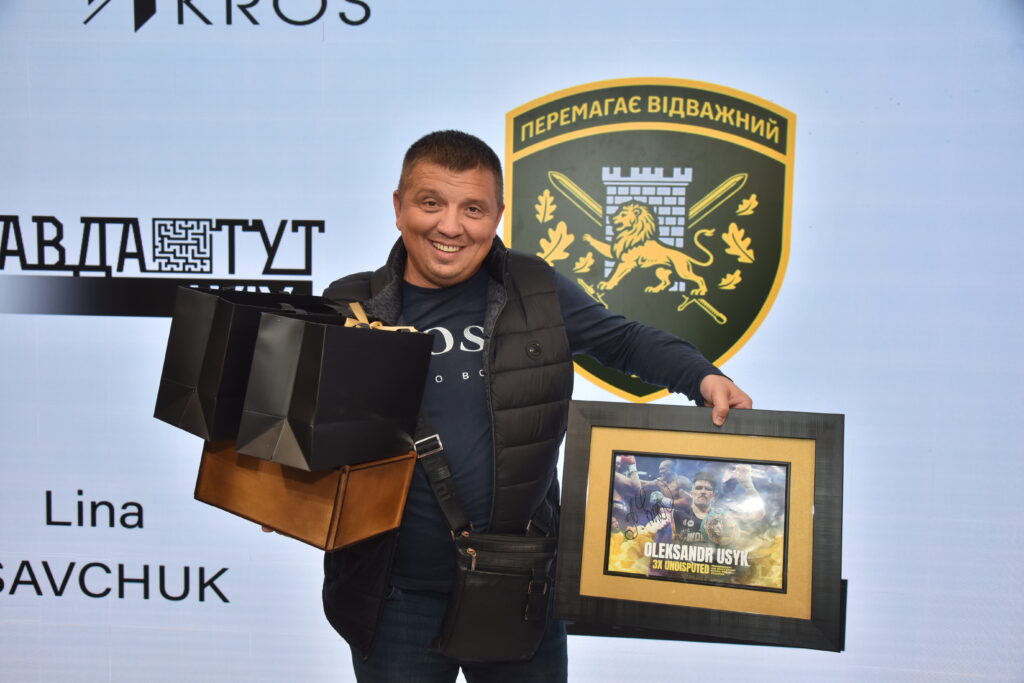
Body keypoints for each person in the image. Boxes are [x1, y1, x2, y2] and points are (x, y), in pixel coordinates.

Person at [317, 130, 752, 682]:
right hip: (394, 595)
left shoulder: (536, 289)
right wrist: (285, 484)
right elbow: (311, 424)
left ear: (497, 216)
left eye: (473, 209)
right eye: (431, 203)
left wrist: (703, 376)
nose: (450, 226)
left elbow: (624, 340)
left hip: (520, 586)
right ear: (399, 207)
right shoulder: (349, 306)